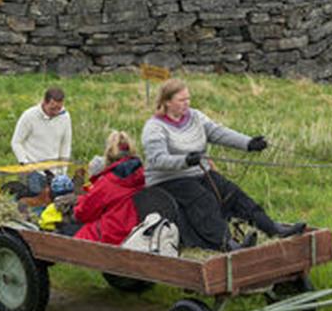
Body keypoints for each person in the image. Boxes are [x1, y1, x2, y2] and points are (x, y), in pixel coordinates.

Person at [139, 78, 304, 252]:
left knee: (232, 192)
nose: (187, 103)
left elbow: (219, 133)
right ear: (167, 102)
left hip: (198, 172)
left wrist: (248, 144)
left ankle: (272, 228)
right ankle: (227, 244)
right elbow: (158, 159)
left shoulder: (195, 117)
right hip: (168, 180)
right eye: (181, 100)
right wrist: (185, 160)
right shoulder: (154, 127)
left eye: (188, 98)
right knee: (204, 200)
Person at [73, 131, 146, 244]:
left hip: (111, 235)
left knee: (76, 238)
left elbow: (83, 213)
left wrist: (76, 205)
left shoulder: (108, 181)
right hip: (136, 232)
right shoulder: (142, 176)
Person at [11, 86, 72, 165]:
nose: (56, 112)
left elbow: (65, 144)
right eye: (52, 109)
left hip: (53, 170)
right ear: (44, 102)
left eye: (59, 108)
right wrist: (24, 162)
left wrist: (63, 169)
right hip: (31, 168)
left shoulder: (65, 117)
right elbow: (16, 142)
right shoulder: (29, 115)